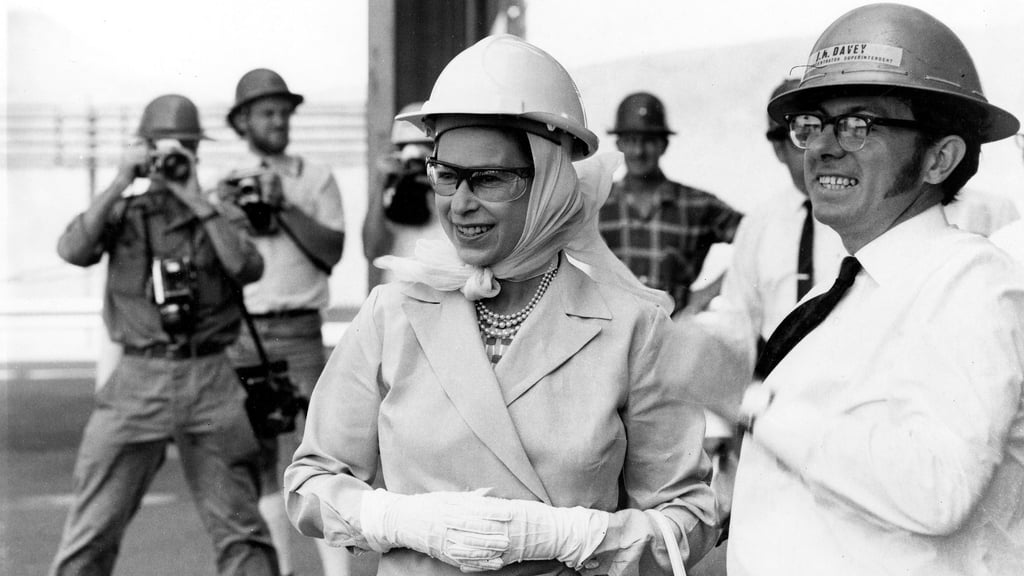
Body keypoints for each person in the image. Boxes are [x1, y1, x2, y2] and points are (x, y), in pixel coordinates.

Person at [284, 34, 729, 576]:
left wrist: (578, 537)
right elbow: (311, 482)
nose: (460, 204)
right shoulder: (391, 314)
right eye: (447, 175)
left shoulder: (633, 328)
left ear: (548, 182)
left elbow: (691, 518)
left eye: (489, 179)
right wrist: (398, 520)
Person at [729, 4, 1024, 575]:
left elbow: (938, 487)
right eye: (812, 124)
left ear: (939, 158)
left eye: (859, 125)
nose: (822, 147)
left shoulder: (973, 284)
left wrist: (744, 400)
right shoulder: (831, 300)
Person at [51, 94, 278, 575]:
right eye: (161, 149)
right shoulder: (123, 211)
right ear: (143, 149)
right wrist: (121, 179)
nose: (172, 160)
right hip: (138, 377)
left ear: (196, 153)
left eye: (183, 149)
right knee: (92, 529)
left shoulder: (219, 212)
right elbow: (72, 249)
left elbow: (246, 267)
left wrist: (195, 199)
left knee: (241, 531)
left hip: (210, 377)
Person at [219, 68, 350, 576]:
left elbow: (331, 252)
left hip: (300, 329)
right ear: (242, 121)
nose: (277, 121)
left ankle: (335, 573)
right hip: (245, 331)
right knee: (256, 456)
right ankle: (281, 570)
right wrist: (223, 213)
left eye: (283, 112)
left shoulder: (314, 177)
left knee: (318, 452)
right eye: (266, 113)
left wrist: (283, 205)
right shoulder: (224, 183)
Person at [599, 91, 743, 314]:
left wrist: (708, 293)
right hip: (611, 327)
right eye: (631, 140)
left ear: (664, 145)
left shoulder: (697, 205)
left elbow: (758, 237)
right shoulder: (598, 202)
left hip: (674, 328)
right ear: (619, 144)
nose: (638, 151)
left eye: (648, 141)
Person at [362, 101, 445, 287]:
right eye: (406, 148)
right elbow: (372, 250)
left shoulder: (453, 193)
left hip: (442, 293)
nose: (416, 159)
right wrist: (382, 181)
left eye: (426, 147)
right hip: (399, 293)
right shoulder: (392, 193)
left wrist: (438, 180)